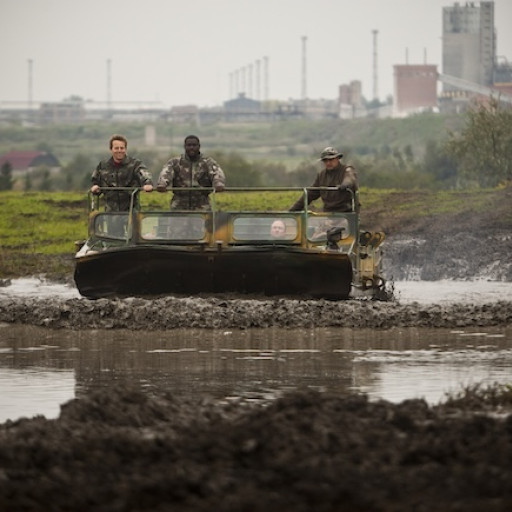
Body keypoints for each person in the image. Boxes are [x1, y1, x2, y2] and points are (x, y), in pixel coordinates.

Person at [156, 135, 226, 210]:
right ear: (185, 147)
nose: (191, 147)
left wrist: (218, 184)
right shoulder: (175, 162)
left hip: (202, 206)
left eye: (194, 145)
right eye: (189, 145)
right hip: (179, 205)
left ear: (199, 146)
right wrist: (162, 183)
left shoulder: (208, 162)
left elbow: (217, 173)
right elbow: (166, 173)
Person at [91, 134, 153, 212]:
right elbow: (95, 180)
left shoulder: (135, 164)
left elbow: (144, 174)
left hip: (131, 209)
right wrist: (95, 187)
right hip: (110, 211)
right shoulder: (103, 166)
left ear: (125, 149)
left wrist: (147, 183)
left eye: (122, 148)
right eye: (116, 148)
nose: (119, 150)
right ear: (111, 149)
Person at [289, 147, 358, 212]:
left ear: (337, 159)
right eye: (325, 160)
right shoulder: (322, 175)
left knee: (343, 224)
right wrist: (292, 211)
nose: (328, 163)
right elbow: (310, 194)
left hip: (347, 213)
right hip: (328, 214)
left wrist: (344, 185)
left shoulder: (347, 170)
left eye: (331, 160)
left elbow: (350, 178)